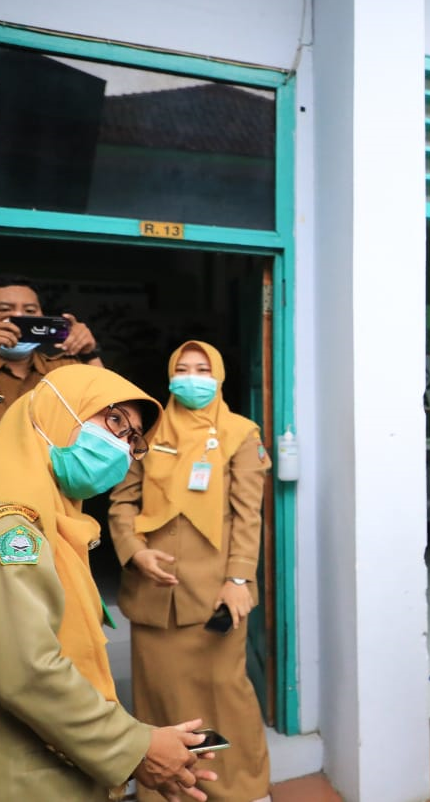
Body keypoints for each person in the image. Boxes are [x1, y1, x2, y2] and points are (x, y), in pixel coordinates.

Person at [0, 365, 217, 802]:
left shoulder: (57, 523)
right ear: (53, 412)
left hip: (45, 762)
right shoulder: (5, 528)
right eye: (114, 421)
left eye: (132, 438)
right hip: (5, 777)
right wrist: (134, 747)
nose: (122, 445)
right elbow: (28, 672)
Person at [109, 341, 272, 802]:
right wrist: (134, 551)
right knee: (159, 700)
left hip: (215, 595)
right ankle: (166, 793)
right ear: (169, 375)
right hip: (153, 593)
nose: (192, 377)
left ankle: (243, 791)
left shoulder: (241, 433)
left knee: (226, 697)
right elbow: (122, 502)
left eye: (203, 369)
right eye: (183, 368)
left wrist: (238, 579)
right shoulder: (149, 429)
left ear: (219, 377)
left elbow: (248, 516)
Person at [0, 275, 103, 500]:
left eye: (30, 311)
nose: (17, 318)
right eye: (4, 310)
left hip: (49, 519)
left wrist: (89, 352)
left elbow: (112, 419)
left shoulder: (65, 370)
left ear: (42, 317)